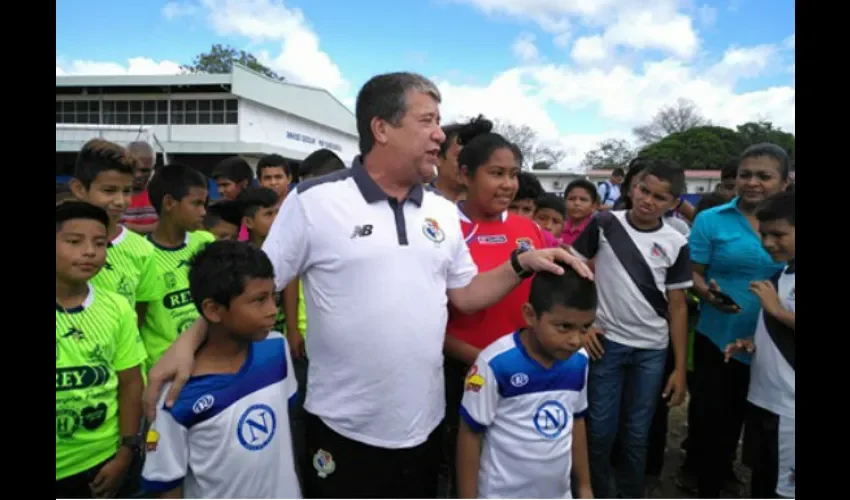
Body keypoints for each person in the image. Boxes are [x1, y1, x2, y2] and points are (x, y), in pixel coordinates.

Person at [143, 71, 592, 499]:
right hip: (343, 426)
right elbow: (249, 286)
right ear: (382, 128)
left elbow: (465, 296)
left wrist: (522, 262)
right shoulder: (313, 201)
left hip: (425, 423)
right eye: (427, 121)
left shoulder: (441, 211)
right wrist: (190, 338)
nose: (441, 135)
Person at [569, 159, 691, 498]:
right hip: (606, 344)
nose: (648, 201)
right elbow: (572, 268)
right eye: (644, 190)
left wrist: (679, 369)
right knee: (600, 431)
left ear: (672, 203)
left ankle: (630, 492)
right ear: (633, 187)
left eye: (660, 197)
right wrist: (585, 324)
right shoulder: (605, 223)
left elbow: (678, 305)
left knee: (637, 433)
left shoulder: (676, 242)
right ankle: (593, 491)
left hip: (652, 350)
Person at [140, 241, 301, 498]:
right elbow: (168, 485)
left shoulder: (276, 349)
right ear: (213, 310)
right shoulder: (176, 395)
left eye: (274, 297)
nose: (273, 310)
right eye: (259, 300)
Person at [442, 131, 547, 496]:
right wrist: (479, 359)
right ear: (466, 174)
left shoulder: (528, 229)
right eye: (496, 173)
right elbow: (427, 314)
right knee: (468, 471)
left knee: (516, 466)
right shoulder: (441, 227)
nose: (508, 184)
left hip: (524, 371)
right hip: (462, 371)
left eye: (513, 173)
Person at [688, 143, 790, 498]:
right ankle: (710, 482)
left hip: (778, 345)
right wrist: (707, 294)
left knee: (767, 426)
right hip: (720, 337)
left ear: (785, 181)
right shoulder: (710, 220)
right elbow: (694, 274)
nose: (752, 183)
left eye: (764, 176)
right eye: (745, 174)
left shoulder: (790, 223)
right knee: (714, 422)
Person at [456, 265, 595, 499]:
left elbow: (576, 421)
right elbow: (470, 435)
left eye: (586, 328)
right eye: (564, 327)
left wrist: (584, 486)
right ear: (530, 315)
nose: (575, 340)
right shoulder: (495, 364)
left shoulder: (579, 361)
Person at [56, 201, 147, 499]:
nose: (89, 251)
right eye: (74, 241)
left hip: (101, 461)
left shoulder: (117, 307)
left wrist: (126, 450)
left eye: (99, 243)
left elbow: (131, 382)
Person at [725, 191, 795, 499]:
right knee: (763, 479)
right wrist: (753, 342)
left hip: (789, 407)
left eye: (778, 234)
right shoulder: (782, 274)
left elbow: (781, 316)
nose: (768, 242)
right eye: (763, 234)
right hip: (765, 397)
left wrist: (777, 310)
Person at [69, 138, 162, 324]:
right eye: (109, 190)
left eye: (127, 191)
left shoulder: (142, 250)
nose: (120, 201)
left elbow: (138, 317)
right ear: (79, 189)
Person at [141, 164, 215, 368]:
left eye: (205, 204)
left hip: (206, 362)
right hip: (163, 367)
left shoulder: (206, 242)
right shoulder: (141, 255)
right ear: (169, 203)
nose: (203, 212)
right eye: (196, 204)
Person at [432, 115, 492, 201]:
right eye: (461, 156)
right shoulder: (414, 202)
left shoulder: (488, 207)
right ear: (438, 157)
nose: (468, 164)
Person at [121, 141, 159, 234]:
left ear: (152, 169)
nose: (138, 175)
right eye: (133, 169)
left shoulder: (160, 194)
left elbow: (167, 227)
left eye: (144, 170)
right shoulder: (113, 194)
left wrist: (129, 228)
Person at [561, 179, 599, 246]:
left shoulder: (597, 232)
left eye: (583, 199)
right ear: (564, 202)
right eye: (572, 199)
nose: (577, 203)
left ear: (593, 206)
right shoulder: (558, 227)